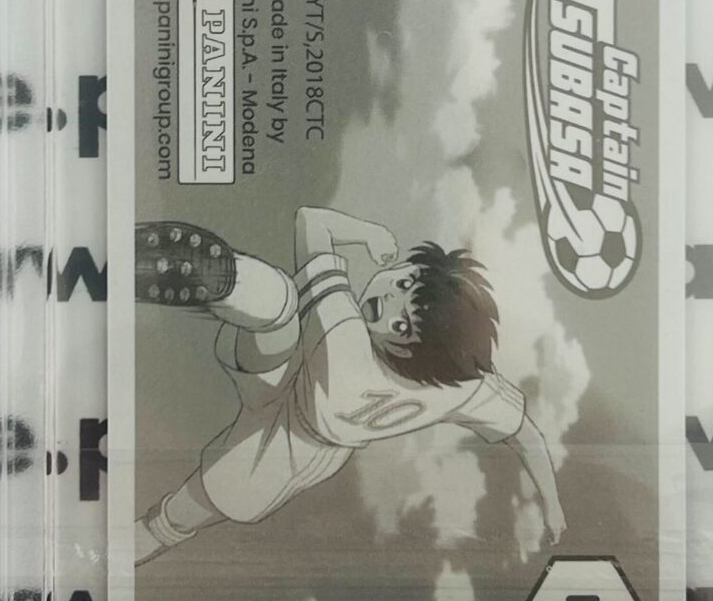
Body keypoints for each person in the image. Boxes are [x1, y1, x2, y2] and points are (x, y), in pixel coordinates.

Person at [131, 205, 566, 566]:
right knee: (280, 303)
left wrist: (365, 235)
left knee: (217, 497)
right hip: (288, 370)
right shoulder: (461, 381)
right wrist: (553, 504)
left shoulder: (354, 335)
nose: (388, 301)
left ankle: (147, 534)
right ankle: (224, 279)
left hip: (299, 439)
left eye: (401, 324)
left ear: (414, 349)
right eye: (404, 283)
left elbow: (311, 224)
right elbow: (525, 433)